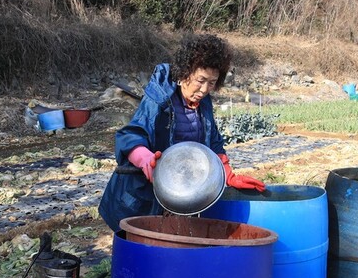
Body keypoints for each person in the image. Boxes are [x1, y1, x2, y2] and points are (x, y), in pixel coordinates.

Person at [98, 34, 266, 232]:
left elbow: (213, 142)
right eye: (200, 80)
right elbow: (131, 134)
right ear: (185, 73)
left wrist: (226, 174)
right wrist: (145, 159)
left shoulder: (203, 102)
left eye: (212, 82)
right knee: (145, 251)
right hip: (145, 197)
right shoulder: (160, 97)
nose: (204, 89)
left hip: (182, 194)